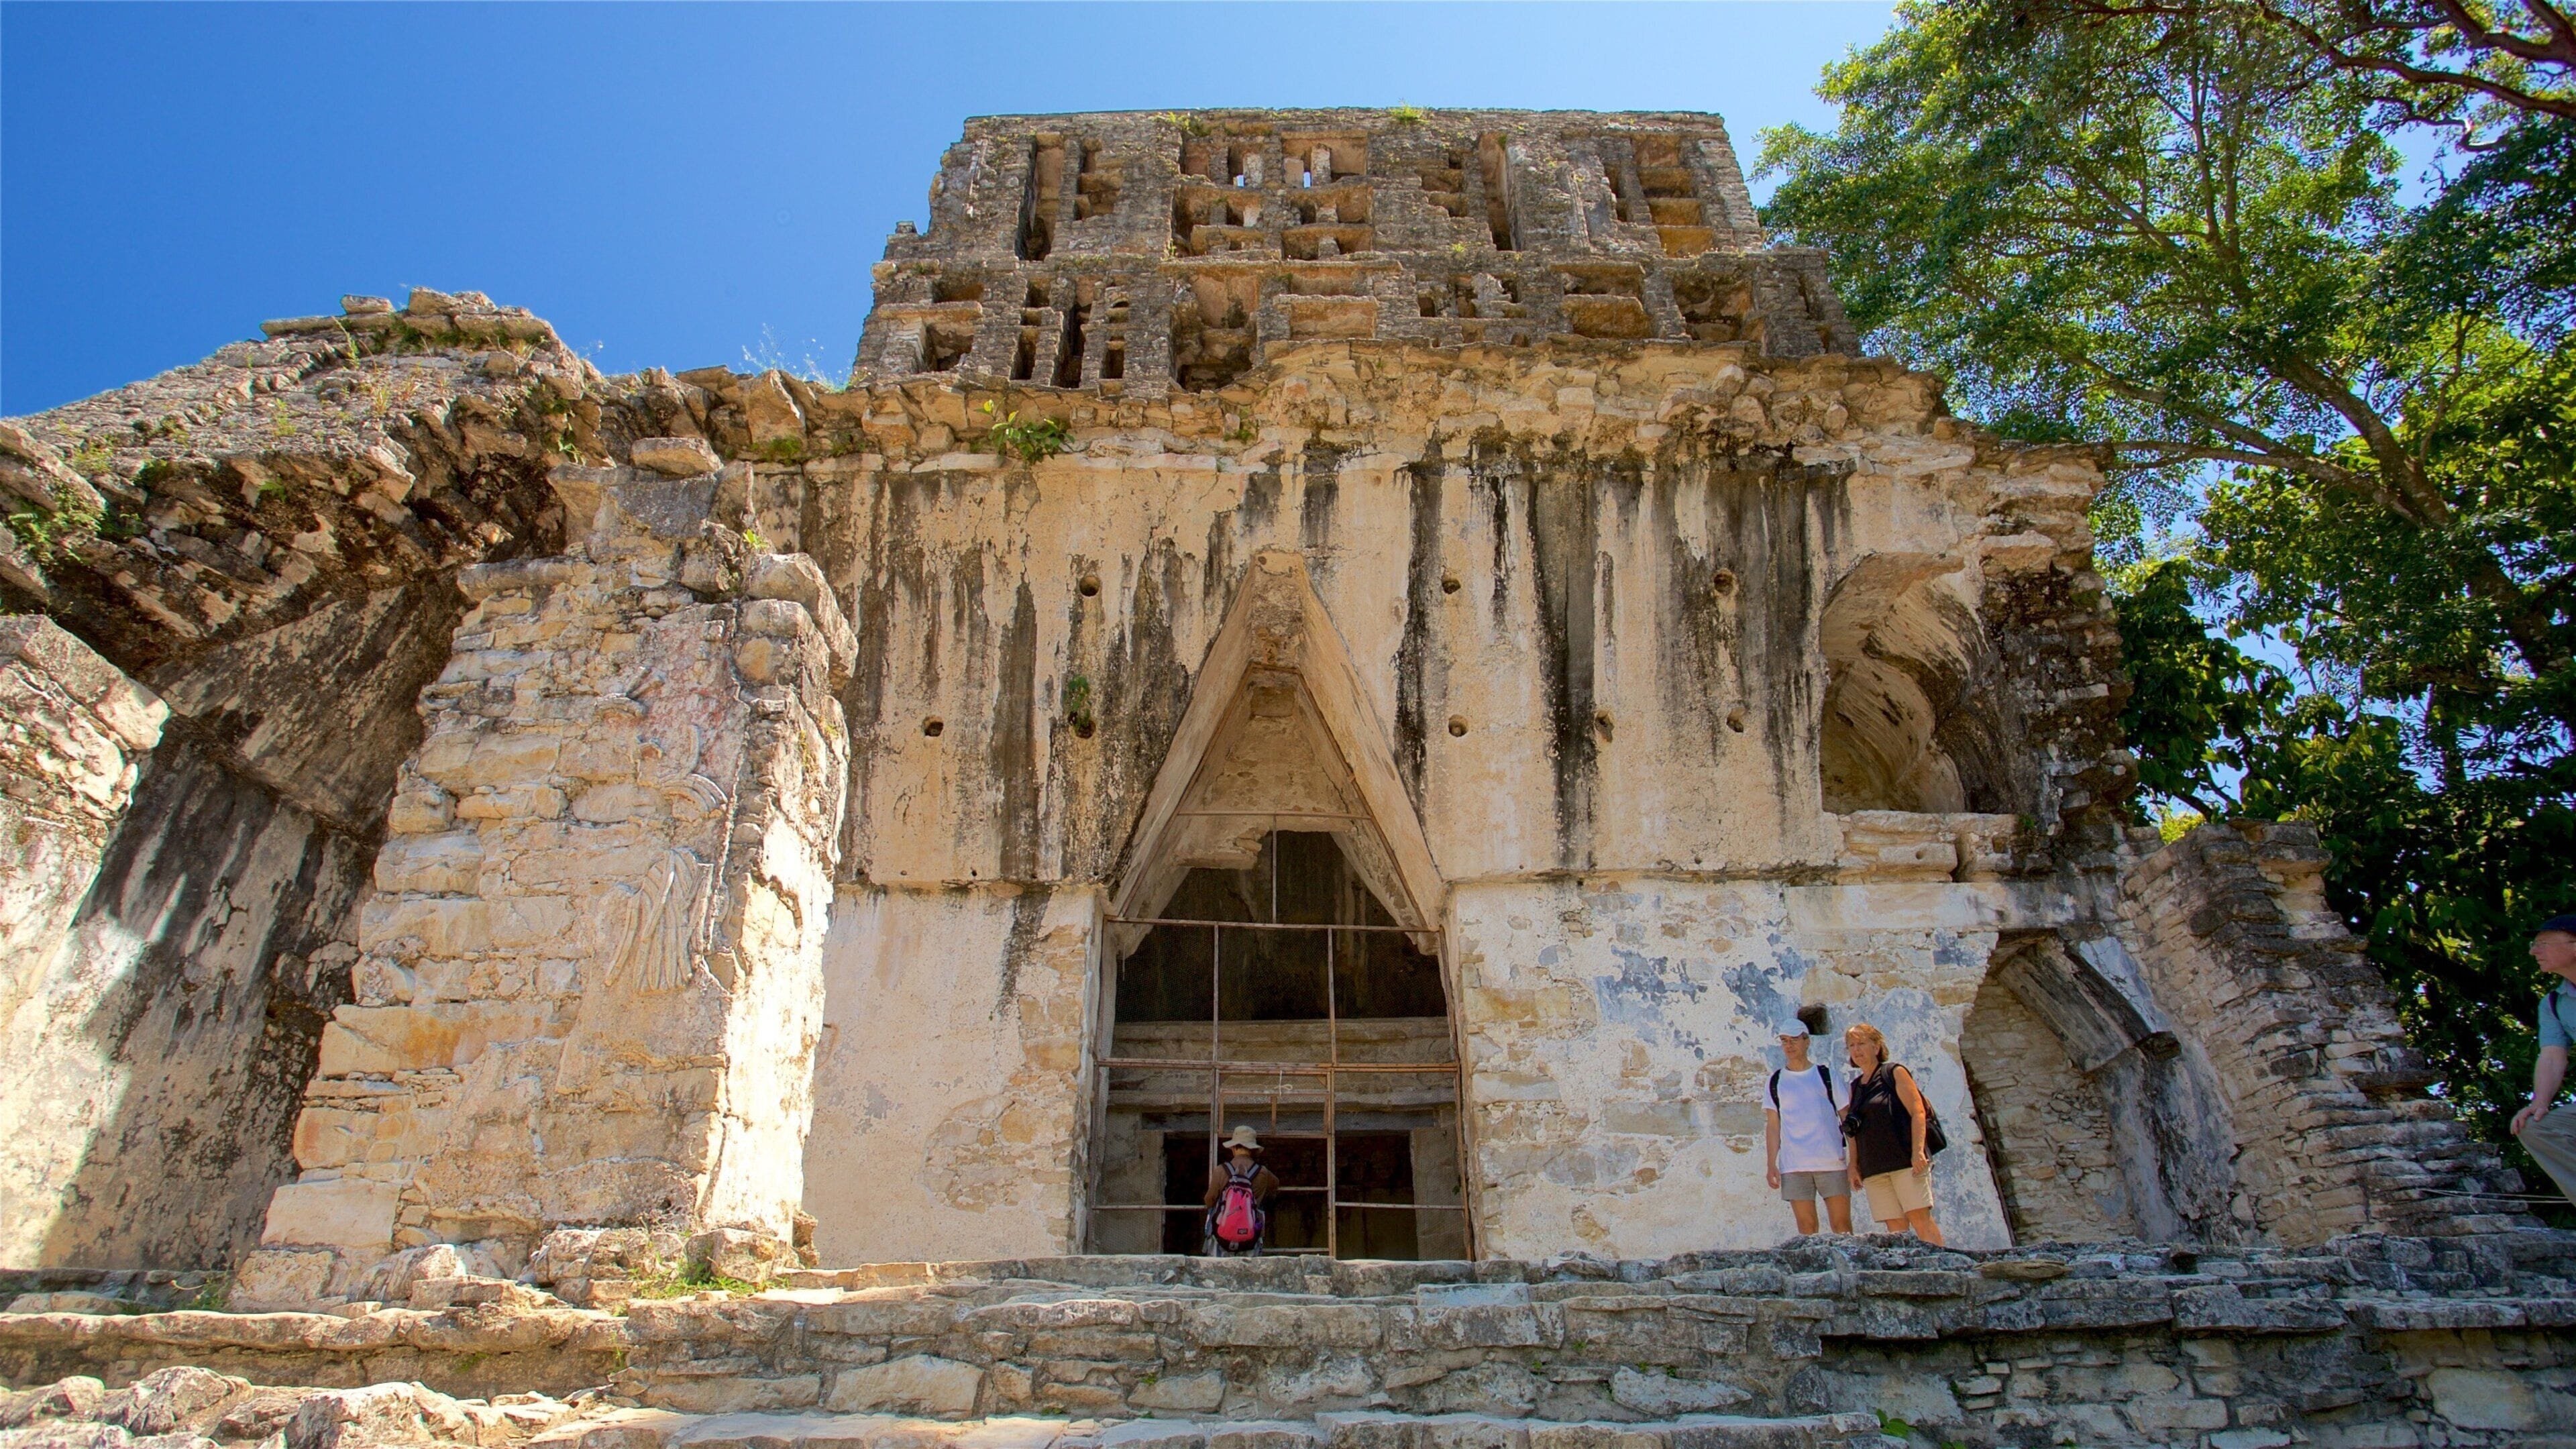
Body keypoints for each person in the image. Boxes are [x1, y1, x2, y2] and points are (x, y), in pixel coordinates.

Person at [1841, 1022, 1945, 1245]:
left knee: (1920, 1218)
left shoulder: (1894, 1073)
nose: (1857, 1050)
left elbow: (1917, 1112)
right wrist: (1854, 1165)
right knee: (1895, 1229)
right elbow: (1853, 1130)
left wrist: (1918, 1152)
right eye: (1852, 1046)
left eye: (1862, 1044)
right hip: (1874, 1168)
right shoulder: (1855, 1087)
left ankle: (1947, 1267)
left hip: (1905, 1161)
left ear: (1876, 1046)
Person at [1764, 1018, 1855, 1235]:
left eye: (1795, 1040)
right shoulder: (1775, 1081)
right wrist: (1771, 1164)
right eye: (1785, 1041)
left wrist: (1854, 1161)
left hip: (1831, 1161)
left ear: (1807, 1042)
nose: (1789, 1046)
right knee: (1806, 1229)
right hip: (1794, 1166)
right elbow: (1773, 1126)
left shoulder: (1826, 1076)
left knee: (1842, 1226)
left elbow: (1847, 1119)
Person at [2510, 913, 2576, 1205]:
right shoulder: (2553, 1003)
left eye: (2543, 943)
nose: (2534, 951)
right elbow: (2552, 1055)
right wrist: (2539, 1103)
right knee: (2537, 1127)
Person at [1202, 1125, 1280, 1255]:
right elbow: (1275, 1185)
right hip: (1250, 1236)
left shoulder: (1221, 1170)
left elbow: (1209, 1200)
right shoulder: (1263, 1172)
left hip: (1222, 1237)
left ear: (1233, 1148)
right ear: (1253, 1150)